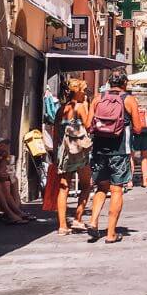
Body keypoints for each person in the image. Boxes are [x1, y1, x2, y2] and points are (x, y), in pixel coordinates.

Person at [88, 71, 142, 241]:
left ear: (109, 82)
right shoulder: (129, 99)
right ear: (125, 82)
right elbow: (138, 128)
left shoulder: (98, 98)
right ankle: (111, 233)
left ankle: (93, 221)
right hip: (119, 150)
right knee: (117, 189)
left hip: (99, 149)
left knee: (101, 187)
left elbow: (88, 123)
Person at [53, 79, 92, 235]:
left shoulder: (61, 109)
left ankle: (62, 225)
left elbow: (56, 132)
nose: (86, 93)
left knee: (64, 187)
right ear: (79, 92)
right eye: (85, 90)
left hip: (64, 151)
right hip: (79, 151)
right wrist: (89, 107)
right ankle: (78, 218)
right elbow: (89, 125)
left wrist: (56, 152)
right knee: (86, 185)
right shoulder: (80, 107)